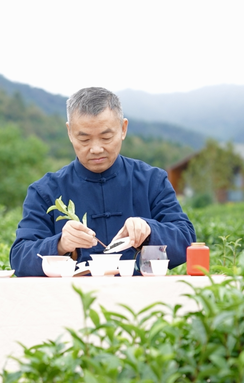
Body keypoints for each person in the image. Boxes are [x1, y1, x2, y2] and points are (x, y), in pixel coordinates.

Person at [10, 87, 196, 276]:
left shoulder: (152, 181)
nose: (96, 149)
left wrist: (149, 231)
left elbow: (186, 241)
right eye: (84, 139)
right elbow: (19, 257)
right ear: (70, 133)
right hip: (72, 294)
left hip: (140, 294)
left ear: (123, 129)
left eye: (106, 137)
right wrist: (60, 244)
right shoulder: (45, 191)